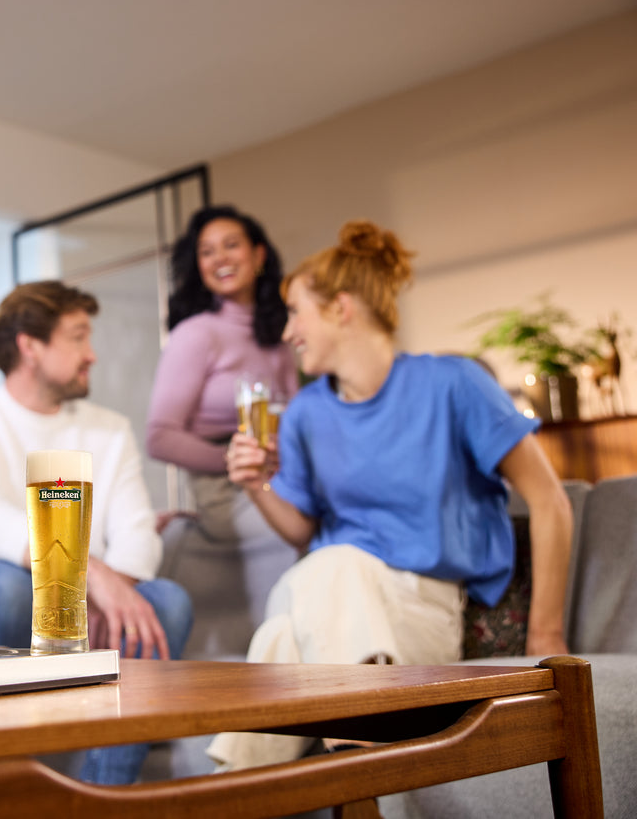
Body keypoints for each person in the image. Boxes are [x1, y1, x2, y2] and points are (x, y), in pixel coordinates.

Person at [208, 220, 573, 770]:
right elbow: (301, 530)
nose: (287, 333)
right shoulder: (307, 411)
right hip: (331, 598)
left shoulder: (453, 384)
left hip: (420, 610)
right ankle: (361, 759)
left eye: (295, 313)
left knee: (285, 634)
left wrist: (547, 633)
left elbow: (549, 501)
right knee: (328, 572)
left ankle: (236, 789)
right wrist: (255, 483)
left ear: (341, 308)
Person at [0, 279, 193, 784]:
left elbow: (137, 533)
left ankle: (103, 796)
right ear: (30, 346)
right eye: (79, 337)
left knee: (168, 600)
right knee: (10, 589)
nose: (93, 355)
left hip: (86, 609)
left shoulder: (110, 430)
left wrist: (104, 589)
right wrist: (93, 578)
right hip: (12, 600)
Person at [145, 205, 299, 655]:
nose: (219, 258)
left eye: (231, 245)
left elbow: (297, 419)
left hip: (278, 476)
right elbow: (160, 436)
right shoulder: (196, 333)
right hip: (224, 486)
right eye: (206, 251)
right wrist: (236, 462)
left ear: (259, 255)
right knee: (296, 531)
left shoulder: (281, 336)